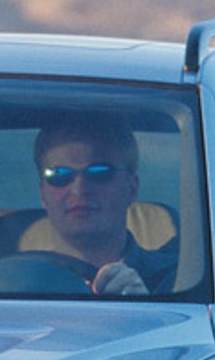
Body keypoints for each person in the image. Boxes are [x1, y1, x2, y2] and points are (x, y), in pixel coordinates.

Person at [32, 116, 178, 295]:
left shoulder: (178, 283)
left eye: (99, 172)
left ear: (132, 188)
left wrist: (145, 311)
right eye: (59, 175)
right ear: (42, 193)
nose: (79, 189)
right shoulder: (8, 285)